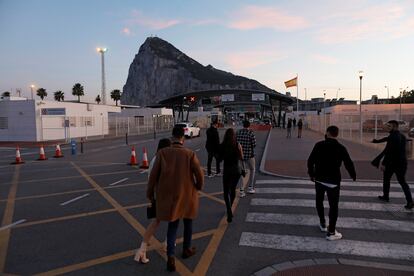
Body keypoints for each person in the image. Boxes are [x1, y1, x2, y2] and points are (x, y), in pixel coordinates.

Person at [147, 126, 204, 272]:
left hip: (169, 197)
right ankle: (187, 249)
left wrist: (149, 194)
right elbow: (199, 174)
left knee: (173, 225)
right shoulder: (190, 154)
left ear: (172, 137)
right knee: (188, 222)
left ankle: (171, 257)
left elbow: (153, 177)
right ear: (183, 138)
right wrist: (198, 187)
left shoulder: (162, 153)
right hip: (187, 194)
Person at [307, 125, 356, 241]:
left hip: (319, 179)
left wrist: (311, 174)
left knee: (319, 201)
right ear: (337, 134)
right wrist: (353, 175)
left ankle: (323, 223)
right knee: (333, 206)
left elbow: (310, 160)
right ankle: (331, 231)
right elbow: (348, 163)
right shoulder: (341, 148)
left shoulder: (319, 145)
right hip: (333, 181)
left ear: (328, 133)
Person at [135, 138, 171, 263]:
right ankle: (167, 244)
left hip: (156, 196)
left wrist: (150, 196)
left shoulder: (154, 159)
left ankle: (142, 250)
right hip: (164, 196)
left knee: (156, 222)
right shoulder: (161, 160)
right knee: (173, 219)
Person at [371, 120, 413, 210]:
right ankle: (410, 201)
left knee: (386, 179)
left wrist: (383, 163)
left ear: (394, 127)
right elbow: (387, 139)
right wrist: (377, 141)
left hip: (392, 163)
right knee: (402, 182)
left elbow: (389, 152)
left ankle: (386, 196)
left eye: (389, 126)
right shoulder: (401, 136)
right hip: (402, 163)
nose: (387, 128)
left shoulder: (393, 137)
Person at [218, 128, 244, 223]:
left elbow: (219, 159)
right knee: (233, 190)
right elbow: (241, 157)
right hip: (236, 171)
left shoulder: (222, 145)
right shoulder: (237, 145)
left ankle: (229, 211)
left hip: (227, 170)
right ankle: (230, 208)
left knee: (226, 192)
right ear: (234, 135)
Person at [236, 120, 256, 197]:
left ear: (243, 125)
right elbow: (254, 144)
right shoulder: (251, 133)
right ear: (249, 125)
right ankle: (250, 187)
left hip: (240, 156)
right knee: (252, 169)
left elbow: (235, 143)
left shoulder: (238, 132)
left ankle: (241, 190)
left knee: (241, 172)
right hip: (249, 155)